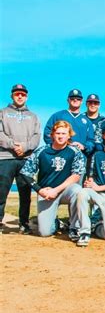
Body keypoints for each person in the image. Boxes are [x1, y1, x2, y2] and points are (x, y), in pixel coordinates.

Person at [19, 121, 85, 237]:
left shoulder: (75, 151)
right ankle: (57, 224)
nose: (60, 136)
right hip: (47, 193)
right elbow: (26, 173)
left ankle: (75, 227)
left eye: (64, 133)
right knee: (45, 232)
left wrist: (56, 190)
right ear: (52, 135)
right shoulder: (42, 151)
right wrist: (40, 190)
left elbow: (76, 175)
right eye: (58, 133)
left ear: (69, 135)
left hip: (66, 191)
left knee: (78, 191)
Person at [0, 84, 41, 234]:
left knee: (25, 193)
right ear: (12, 95)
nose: (19, 96)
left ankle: (24, 223)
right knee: (1, 191)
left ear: (26, 97)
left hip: (26, 159)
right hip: (5, 158)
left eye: (22, 94)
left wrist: (24, 147)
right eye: (17, 94)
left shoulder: (33, 116)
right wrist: (12, 145)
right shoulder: (3, 113)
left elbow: (36, 137)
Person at [44, 89, 95, 155]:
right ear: (68, 100)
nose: (75, 100)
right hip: (59, 155)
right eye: (72, 98)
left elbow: (91, 140)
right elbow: (47, 133)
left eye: (78, 99)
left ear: (82, 101)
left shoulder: (87, 121)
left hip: (79, 156)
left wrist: (84, 146)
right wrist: (59, 145)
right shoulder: (58, 116)